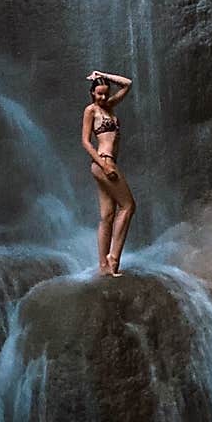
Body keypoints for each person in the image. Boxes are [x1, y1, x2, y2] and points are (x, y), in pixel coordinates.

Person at [81, 69, 136, 277]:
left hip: (107, 163)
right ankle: (113, 259)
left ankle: (103, 266)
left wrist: (102, 74)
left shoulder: (110, 106)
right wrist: (104, 166)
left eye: (105, 93)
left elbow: (128, 83)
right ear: (92, 93)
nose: (102, 97)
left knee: (107, 215)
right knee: (129, 206)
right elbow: (85, 142)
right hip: (104, 162)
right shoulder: (91, 111)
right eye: (98, 94)